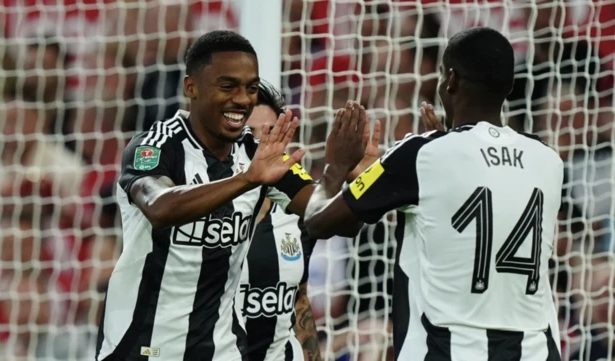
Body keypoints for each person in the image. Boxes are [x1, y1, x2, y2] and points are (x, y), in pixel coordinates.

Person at [96, 30, 371, 361]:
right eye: (228, 86)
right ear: (191, 87)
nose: (242, 99)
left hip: (220, 351)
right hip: (142, 349)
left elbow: (326, 217)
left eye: (251, 88)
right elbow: (159, 207)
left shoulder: (256, 153)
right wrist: (247, 179)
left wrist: (341, 171)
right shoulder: (155, 145)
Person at [304, 27, 564, 360]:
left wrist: (335, 170)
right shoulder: (548, 159)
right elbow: (487, 183)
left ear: (450, 80)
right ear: (509, 86)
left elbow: (319, 223)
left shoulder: (420, 154)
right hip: (534, 352)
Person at [237, 80, 320, 361]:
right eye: (251, 135)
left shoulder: (298, 217)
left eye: (271, 133)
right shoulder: (208, 214)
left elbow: (299, 298)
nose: (263, 145)